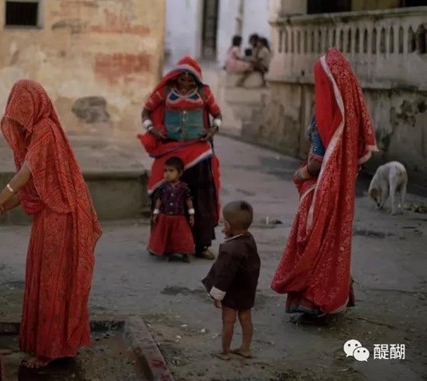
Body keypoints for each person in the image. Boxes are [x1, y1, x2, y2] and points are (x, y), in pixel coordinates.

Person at [0, 79, 102, 369]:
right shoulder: (38, 133)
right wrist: (0, 209)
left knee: (53, 281)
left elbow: (26, 174)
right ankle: (56, 345)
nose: (18, 124)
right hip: (50, 217)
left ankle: (50, 350)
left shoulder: (45, 130)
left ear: (34, 107)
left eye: (21, 116)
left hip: (61, 218)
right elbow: (33, 186)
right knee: (46, 278)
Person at [270, 48, 378, 325]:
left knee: (313, 240)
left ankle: (312, 300)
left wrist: (299, 173)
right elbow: (358, 155)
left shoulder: (324, 117)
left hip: (318, 189)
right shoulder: (351, 114)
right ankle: (335, 296)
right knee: (333, 238)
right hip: (341, 190)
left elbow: (318, 162)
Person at [139, 56, 222, 260]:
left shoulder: (205, 92)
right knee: (162, 191)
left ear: (196, 79)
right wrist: (153, 130)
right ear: (176, 77)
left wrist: (213, 130)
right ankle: (163, 244)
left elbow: (218, 115)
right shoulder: (165, 91)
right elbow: (146, 112)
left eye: (190, 79)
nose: (186, 83)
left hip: (198, 152)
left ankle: (200, 245)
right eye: (182, 78)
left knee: (200, 197)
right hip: (171, 149)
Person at [202, 200, 260, 360]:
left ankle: (225, 352)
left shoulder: (230, 249)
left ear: (228, 226)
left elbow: (224, 275)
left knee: (228, 321)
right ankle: (245, 349)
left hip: (232, 290)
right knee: (246, 318)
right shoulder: (249, 239)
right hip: (247, 287)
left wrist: (217, 295)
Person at [148, 156, 195, 262]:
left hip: (179, 217)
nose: (167, 174)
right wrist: (156, 213)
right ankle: (166, 252)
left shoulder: (184, 187)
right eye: (165, 171)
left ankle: (185, 252)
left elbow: (188, 201)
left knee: (182, 236)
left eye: (171, 171)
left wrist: (191, 214)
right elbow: (159, 200)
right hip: (165, 216)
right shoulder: (163, 187)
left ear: (180, 173)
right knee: (166, 236)